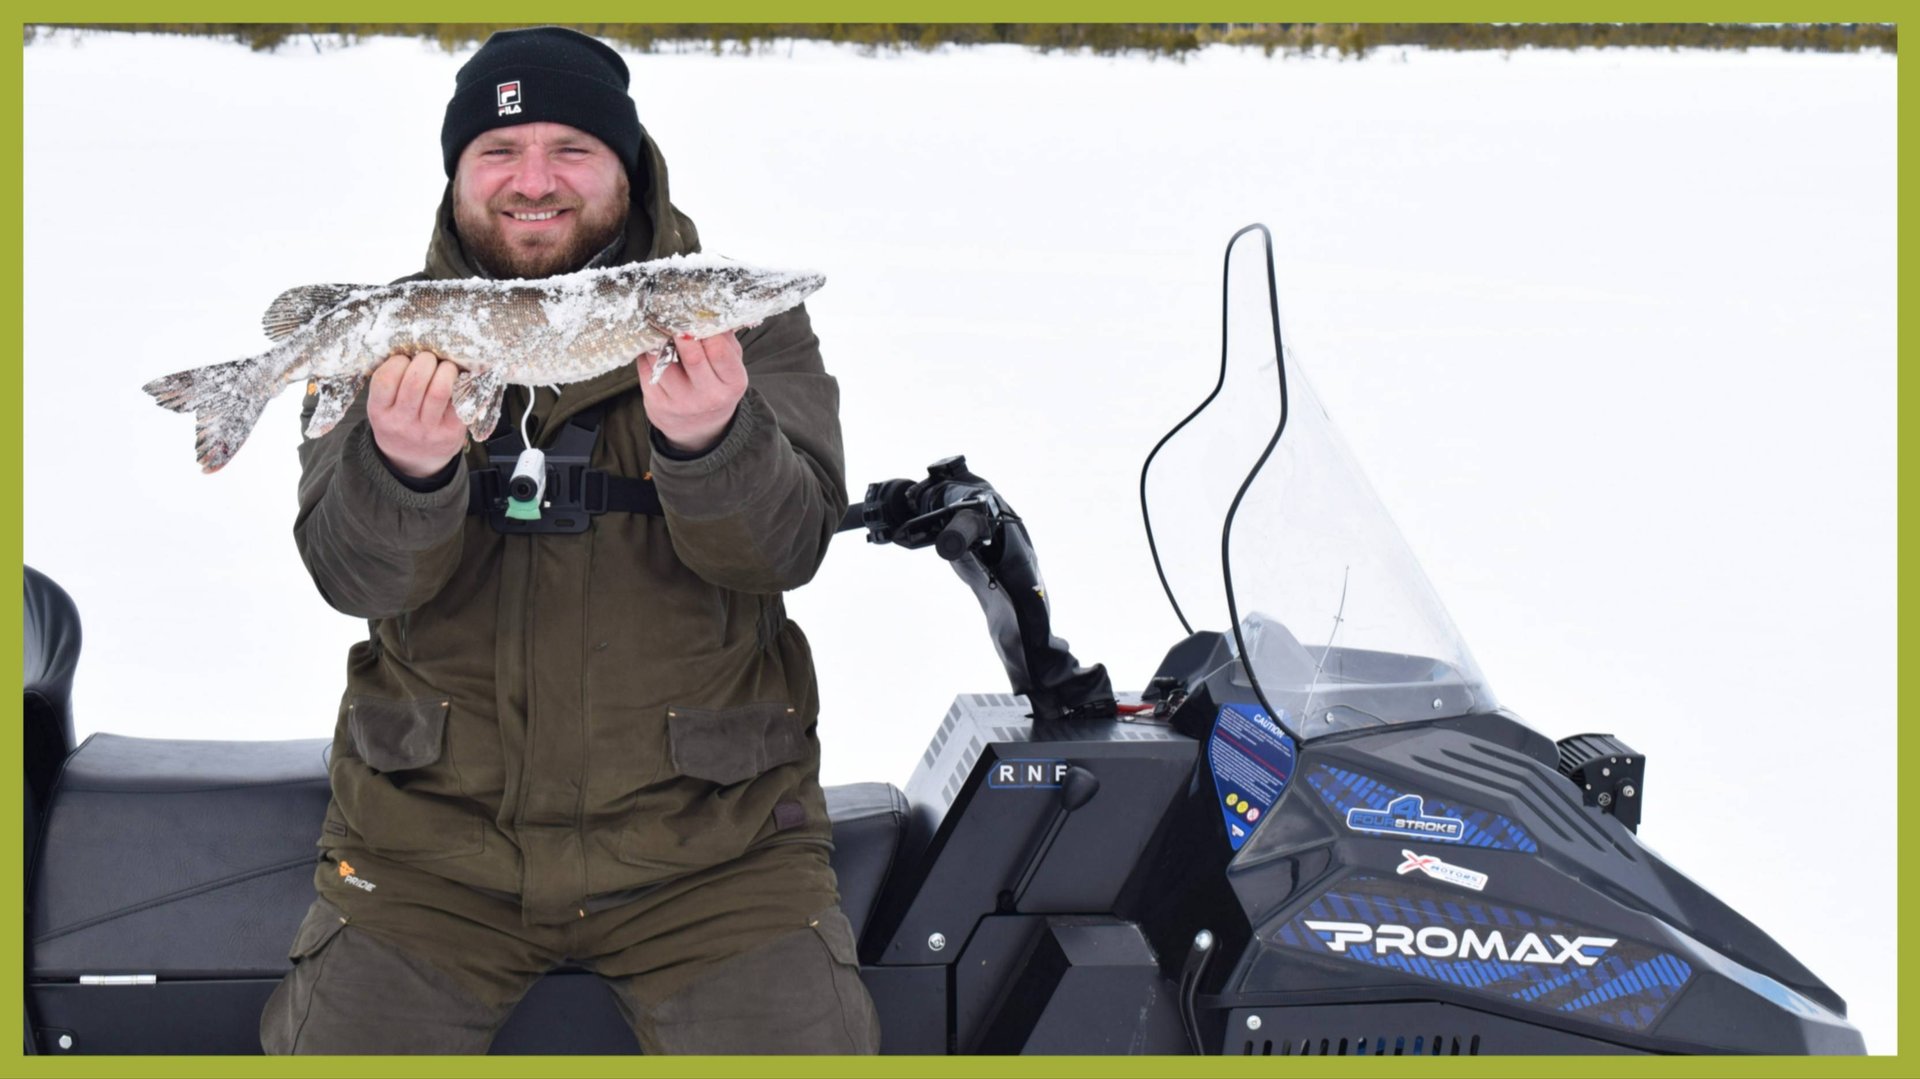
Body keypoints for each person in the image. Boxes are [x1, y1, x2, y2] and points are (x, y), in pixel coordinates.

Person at [259, 26, 878, 1055]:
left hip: (712, 854)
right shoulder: (399, 331)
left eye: (571, 149)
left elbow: (786, 551)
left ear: (626, 169)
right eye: (499, 151)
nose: (533, 180)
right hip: (428, 853)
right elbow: (351, 571)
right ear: (458, 173)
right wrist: (407, 470)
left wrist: (715, 443)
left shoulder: (742, 332)